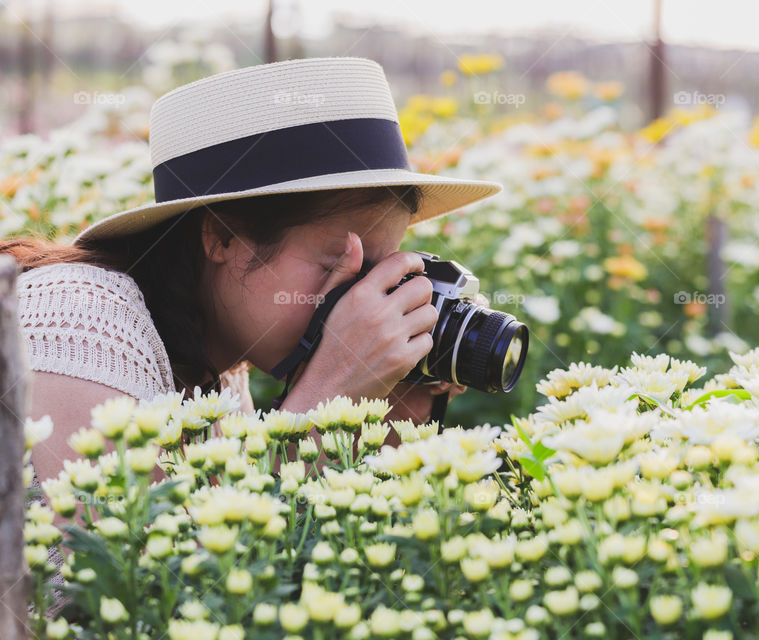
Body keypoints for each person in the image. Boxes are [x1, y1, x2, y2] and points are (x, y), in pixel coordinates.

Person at [5, 56, 502, 485]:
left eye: (384, 270)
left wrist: (390, 407)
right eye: (340, 264)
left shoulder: (221, 376)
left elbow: (279, 558)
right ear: (221, 236)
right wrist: (329, 395)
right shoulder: (80, 323)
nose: (366, 299)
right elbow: (141, 583)